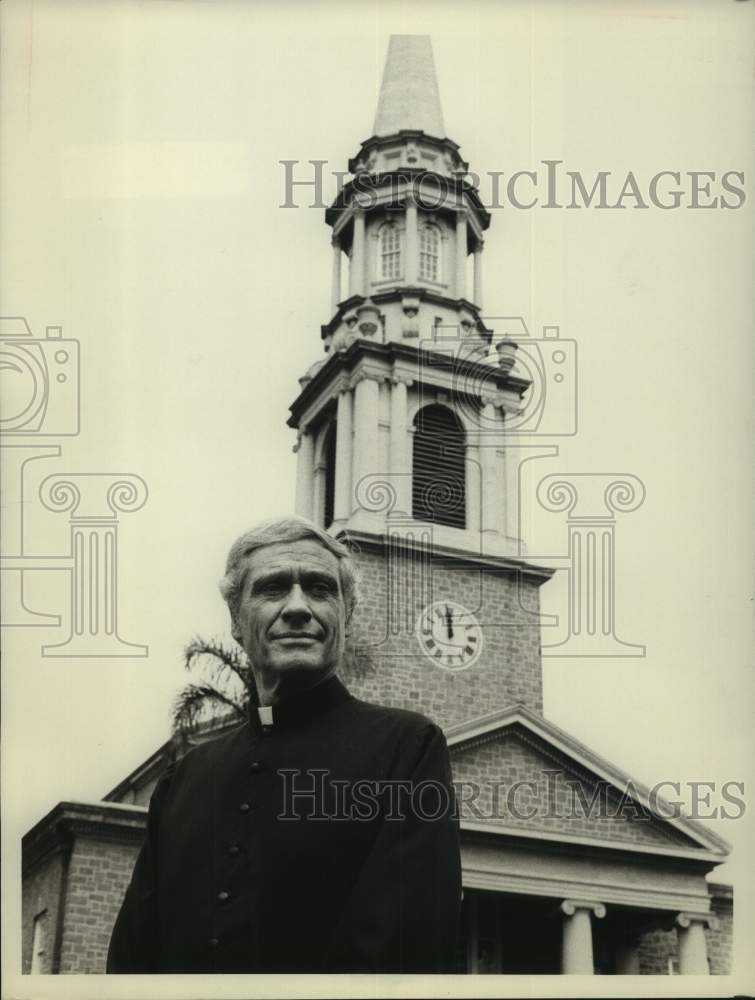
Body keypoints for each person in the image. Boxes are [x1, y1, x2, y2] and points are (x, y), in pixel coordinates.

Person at [106, 516, 461, 974]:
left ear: (345, 617)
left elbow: (407, 942)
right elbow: (133, 958)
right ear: (236, 620)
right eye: (273, 588)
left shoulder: (407, 748)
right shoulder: (182, 780)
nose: (298, 607)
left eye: (319, 589)